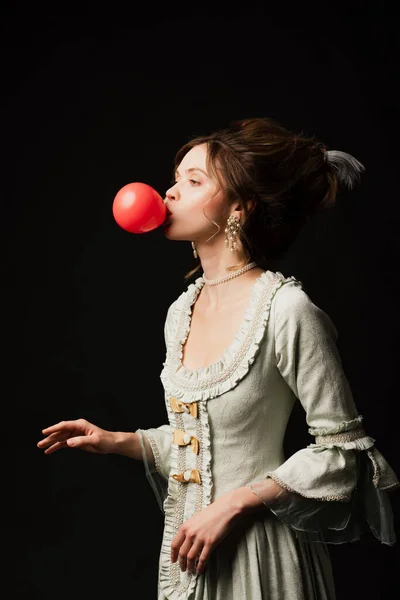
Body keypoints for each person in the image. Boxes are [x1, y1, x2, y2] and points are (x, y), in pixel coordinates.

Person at [38, 117, 399, 600]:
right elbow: (207, 447)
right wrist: (120, 441)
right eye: (174, 178)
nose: (168, 192)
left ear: (239, 208)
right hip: (191, 554)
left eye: (193, 180)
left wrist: (234, 504)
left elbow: (342, 453)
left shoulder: (287, 310)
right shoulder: (181, 311)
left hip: (260, 556)